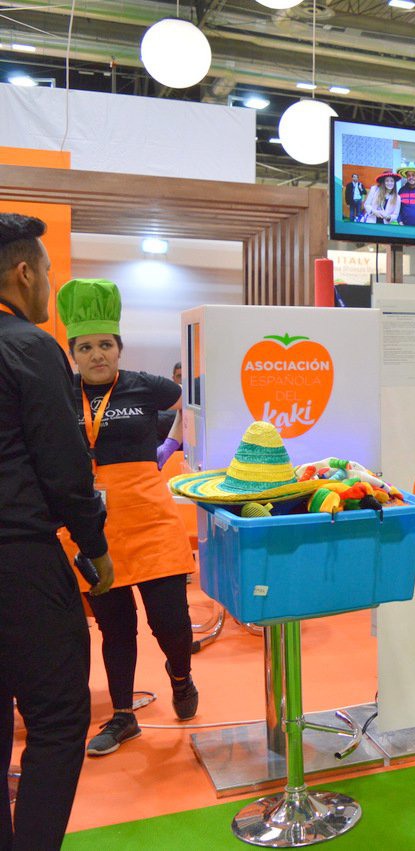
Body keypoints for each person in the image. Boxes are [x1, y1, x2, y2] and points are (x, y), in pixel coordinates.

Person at [0, 214, 113, 849]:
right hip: (19, 558)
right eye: (47, 270)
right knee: (58, 718)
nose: (49, 282)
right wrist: (94, 547)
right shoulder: (29, 345)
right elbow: (66, 469)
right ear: (24, 273)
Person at [55, 279, 199, 757]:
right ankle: (123, 716)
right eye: (85, 347)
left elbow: (192, 403)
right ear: (73, 354)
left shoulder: (147, 385)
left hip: (151, 519)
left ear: (119, 348)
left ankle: (181, 676)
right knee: (115, 628)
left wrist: (173, 444)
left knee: (170, 622)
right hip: (92, 527)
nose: (97, 354)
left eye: (105, 345)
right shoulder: (60, 393)